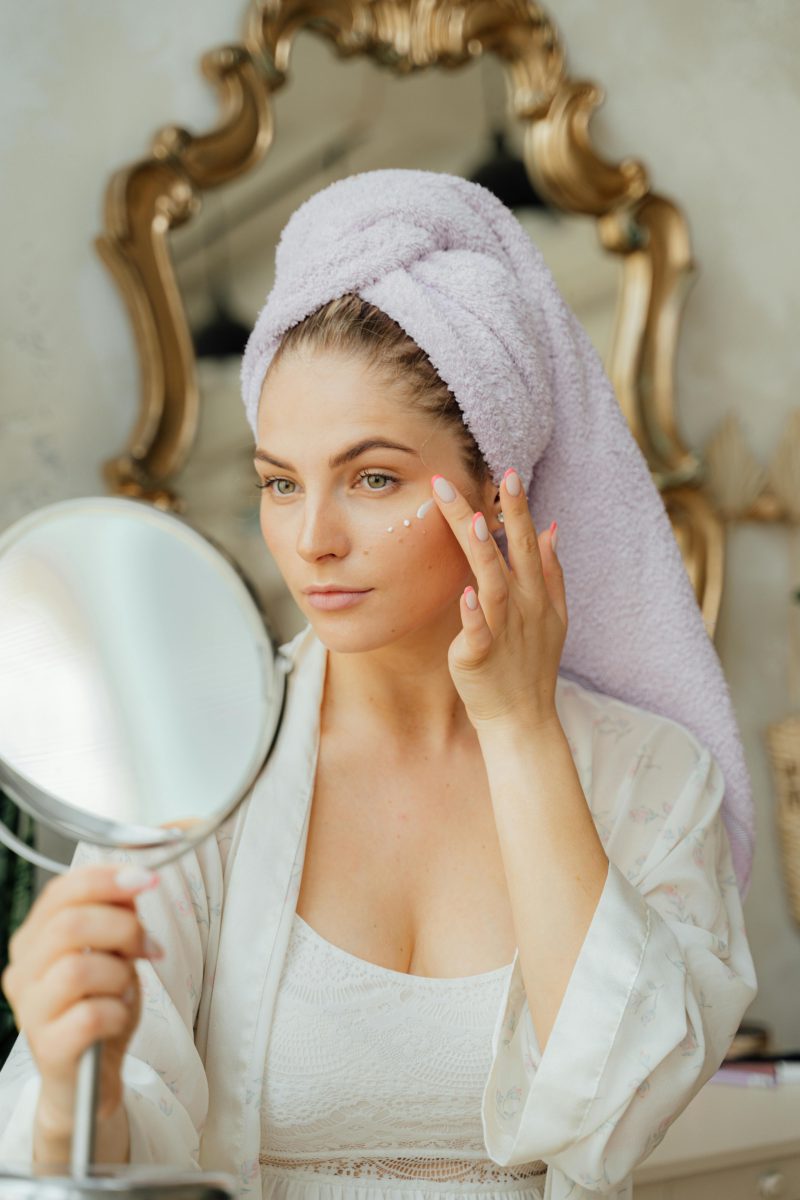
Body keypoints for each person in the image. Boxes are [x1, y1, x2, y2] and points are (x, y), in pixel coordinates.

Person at [0, 172, 757, 1200]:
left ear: (498, 491)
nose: (308, 541)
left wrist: (521, 726)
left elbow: (620, 1114)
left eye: (371, 478)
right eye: (278, 482)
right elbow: (111, 1134)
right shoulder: (195, 775)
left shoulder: (650, 782)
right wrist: (64, 1085)